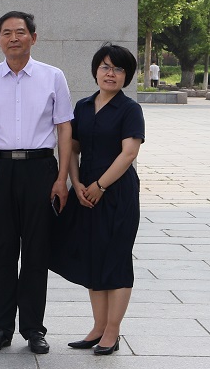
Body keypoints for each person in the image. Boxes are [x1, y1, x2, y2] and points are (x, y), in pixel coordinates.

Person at [0, 11, 72, 355]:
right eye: (7, 33)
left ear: (33, 37)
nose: (14, 38)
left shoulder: (53, 76)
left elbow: (64, 128)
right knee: (1, 250)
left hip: (41, 169)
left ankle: (33, 328)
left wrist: (61, 178)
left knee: (36, 251)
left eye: (20, 32)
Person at [50, 44, 145, 356]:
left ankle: (113, 331)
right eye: (105, 67)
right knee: (94, 257)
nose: (110, 73)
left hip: (117, 193)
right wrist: (76, 183)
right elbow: (71, 148)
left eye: (118, 69)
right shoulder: (83, 106)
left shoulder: (129, 110)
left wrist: (101, 186)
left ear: (127, 76)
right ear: (95, 71)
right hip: (86, 193)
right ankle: (98, 326)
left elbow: (129, 153)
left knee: (116, 258)